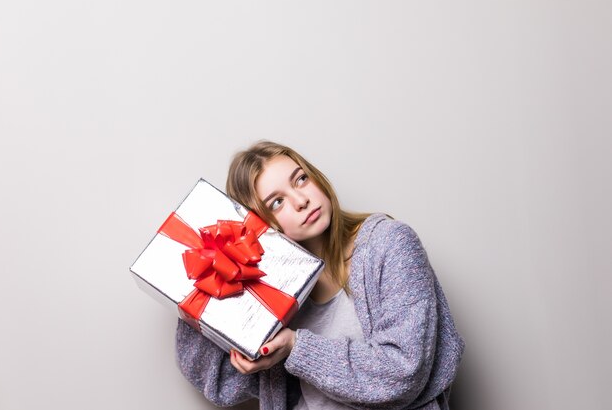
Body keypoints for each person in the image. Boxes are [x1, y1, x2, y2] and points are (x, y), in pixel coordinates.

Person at [176, 140, 465, 410]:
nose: (301, 200)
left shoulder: (389, 243)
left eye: (301, 179)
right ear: (258, 225)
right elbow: (221, 384)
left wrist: (296, 347)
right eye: (277, 202)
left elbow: (403, 372)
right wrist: (207, 283)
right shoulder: (269, 293)